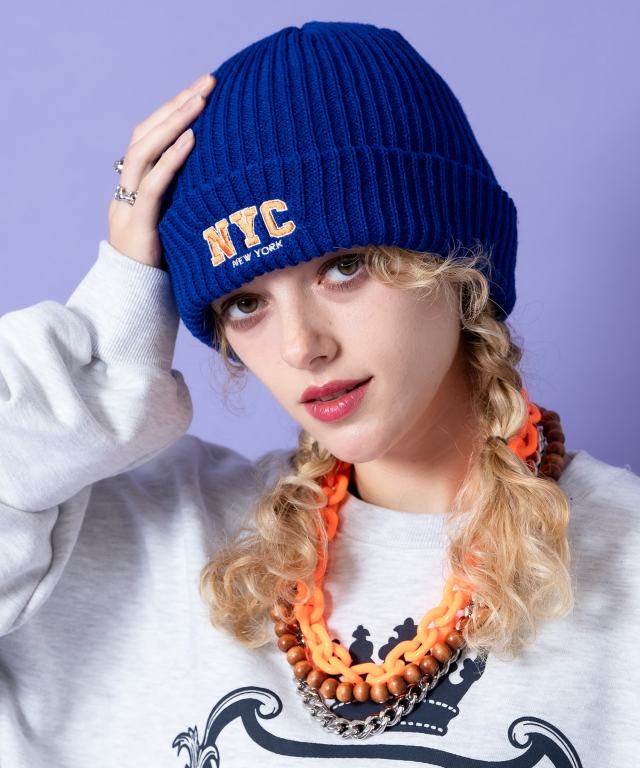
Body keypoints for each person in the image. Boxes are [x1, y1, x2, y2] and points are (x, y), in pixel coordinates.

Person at [1, 19, 638, 767]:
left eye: (344, 267)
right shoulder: (143, 541)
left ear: (456, 263)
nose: (302, 346)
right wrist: (111, 328)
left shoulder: (624, 563)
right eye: (246, 302)